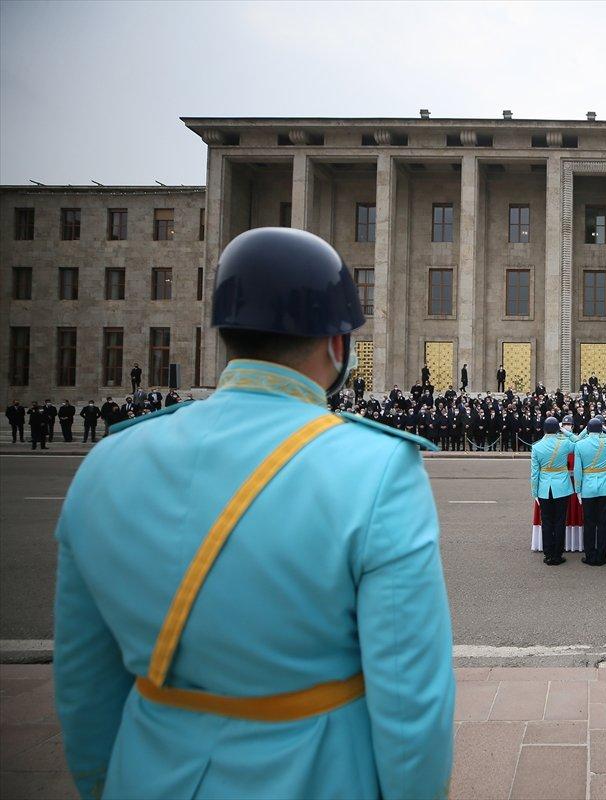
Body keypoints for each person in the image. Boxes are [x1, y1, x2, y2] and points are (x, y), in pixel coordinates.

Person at [53, 227, 454, 799]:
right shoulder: (377, 466)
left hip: (147, 775)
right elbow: (412, 703)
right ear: (337, 345)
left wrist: (108, 784)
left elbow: (84, 689)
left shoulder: (106, 462)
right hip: (316, 774)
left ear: (226, 333)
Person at [573, 417, 606, 566]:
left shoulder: (580, 445)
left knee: (588, 523)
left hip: (587, 486)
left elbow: (577, 470)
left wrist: (578, 490)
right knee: (603, 523)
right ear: (601, 429)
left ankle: (589, 555)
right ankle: (601, 555)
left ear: (587, 429)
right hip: (605, 485)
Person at [531, 416, 574, 566]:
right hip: (561, 486)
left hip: (544, 487)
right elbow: (577, 441)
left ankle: (548, 553)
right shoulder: (564, 443)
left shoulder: (536, 447)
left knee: (547, 522)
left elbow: (534, 473)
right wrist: (565, 431)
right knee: (560, 521)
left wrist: (534, 492)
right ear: (558, 429)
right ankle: (558, 554)